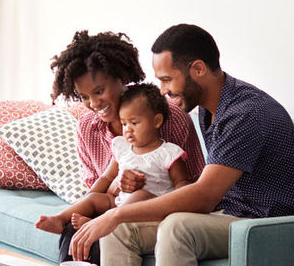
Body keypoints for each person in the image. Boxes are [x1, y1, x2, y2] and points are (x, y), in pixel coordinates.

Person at [68, 24, 294, 266]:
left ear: (198, 69)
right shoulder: (208, 108)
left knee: (176, 227)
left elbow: (202, 196)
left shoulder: (245, 112)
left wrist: (115, 212)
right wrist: (116, 216)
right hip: (235, 217)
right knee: (120, 232)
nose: (164, 91)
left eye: (167, 80)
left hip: (272, 225)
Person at [48, 30, 206, 266]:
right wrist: (118, 187)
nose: (94, 104)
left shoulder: (169, 118)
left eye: (100, 90)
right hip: (115, 205)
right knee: (74, 238)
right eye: (84, 96)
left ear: (123, 78)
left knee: (102, 231)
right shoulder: (89, 128)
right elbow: (98, 190)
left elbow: (190, 185)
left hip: (159, 209)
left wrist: (135, 190)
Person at [36, 83, 190, 235]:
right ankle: (60, 219)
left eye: (134, 123)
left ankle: (99, 223)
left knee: (141, 195)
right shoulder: (122, 147)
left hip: (151, 207)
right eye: (124, 124)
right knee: (95, 198)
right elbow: (107, 177)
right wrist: (88, 197)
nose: (128, 129)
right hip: (119, 202)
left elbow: (181, 183)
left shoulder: (168, 153)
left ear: (156, 121)